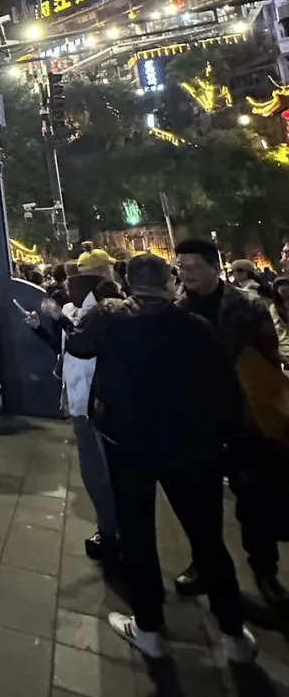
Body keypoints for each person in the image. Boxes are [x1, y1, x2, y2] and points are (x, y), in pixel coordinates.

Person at [67, 254, 257, 661]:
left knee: (137, 534)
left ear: (130, 281)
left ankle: (149, 626)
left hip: (127, 442)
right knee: (207, 536)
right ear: (168, 283)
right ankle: (233, 632)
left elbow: (78, 346)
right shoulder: (195, 327)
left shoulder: (109, 317)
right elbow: (226, 389)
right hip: (190, 445)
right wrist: (233, 445)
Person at [174, 237, 289, 606]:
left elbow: (268, 357)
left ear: (213, 266)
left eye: (192, 267)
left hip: (245, 418)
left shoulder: (247, 306)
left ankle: (265, 570)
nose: (185, 274)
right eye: (181, 268)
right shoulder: (175, 311)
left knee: (255, 499)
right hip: (197, 420)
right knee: (198, 501)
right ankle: (203, 563)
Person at [24, 271, 122, 563]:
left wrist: (60, 319)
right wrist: (39, 327)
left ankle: (113, 533)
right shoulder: (75, 311)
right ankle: (109, 529)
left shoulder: (106, 312)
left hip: (98, 403)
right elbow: (65, 348)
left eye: (70, 285)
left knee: (102, 471)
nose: (65, 289)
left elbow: (83, 345)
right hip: (80, 400)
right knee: (93, 470)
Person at [271, 276, 289, 368]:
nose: (283, 288)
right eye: (279, 286)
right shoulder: (275, 308)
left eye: (285, 284)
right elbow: (279, 331)